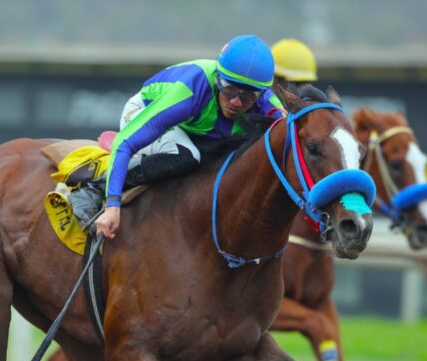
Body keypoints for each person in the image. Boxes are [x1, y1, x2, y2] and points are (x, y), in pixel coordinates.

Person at [68, 34, 287, 240]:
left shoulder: (267, 103)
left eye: (248, 96)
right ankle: (94, 188)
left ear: (262, 93)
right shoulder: (190, 92)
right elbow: (125, 143)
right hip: (144, 111)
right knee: (187, 156)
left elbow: (292, 138)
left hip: (193, 129)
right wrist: (112, 206)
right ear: (218, 79)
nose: (237, 102)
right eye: (229, 90)